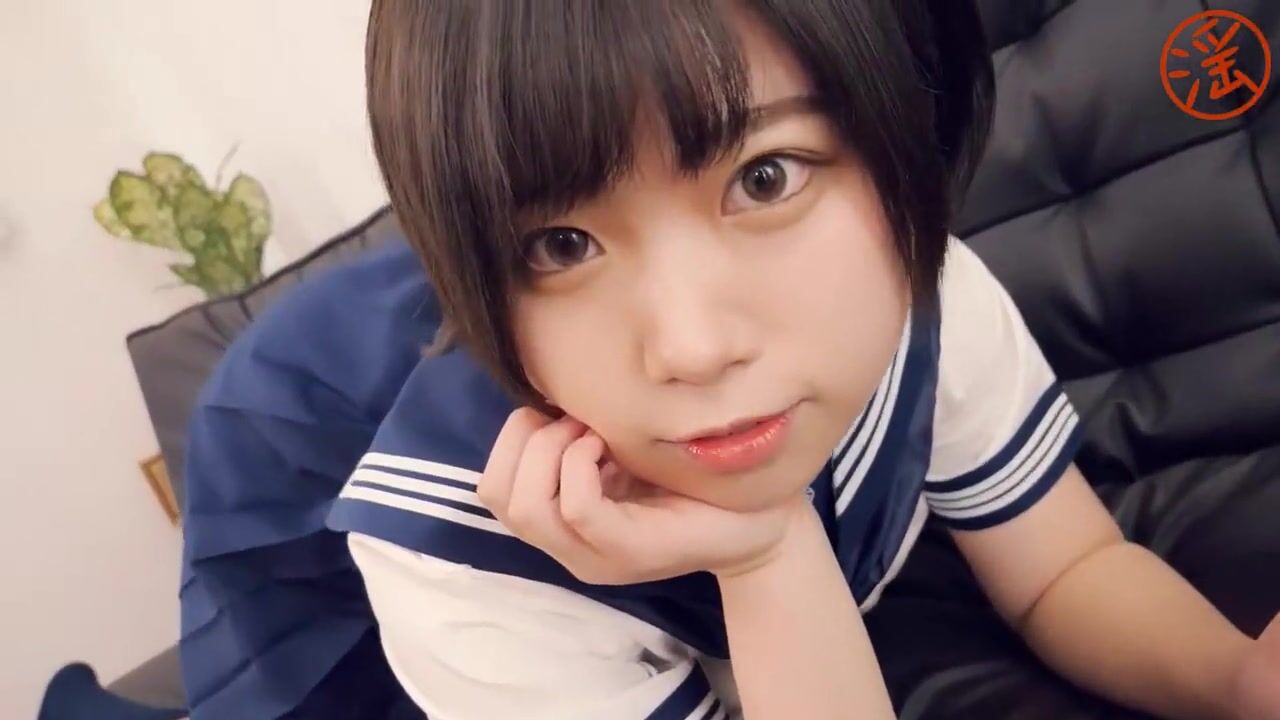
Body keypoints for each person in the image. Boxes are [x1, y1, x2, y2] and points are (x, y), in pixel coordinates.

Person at [179, 1, 1280, 718]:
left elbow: (1059, 568)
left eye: (765, 177)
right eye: (559, 245)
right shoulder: (462, 551)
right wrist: (766, 556)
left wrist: (1235, 680)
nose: (693, 349)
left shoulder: (916, 284)